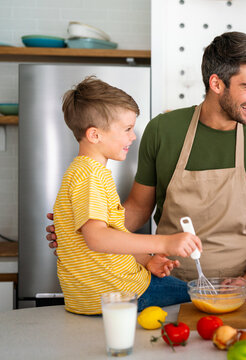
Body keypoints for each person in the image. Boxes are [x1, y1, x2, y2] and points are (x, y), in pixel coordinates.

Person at [47, 32, 246, 298]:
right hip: (165, 280)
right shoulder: (163, 130)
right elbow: (138, 208)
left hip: (232, 290)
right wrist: (81, 230)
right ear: (216, 83)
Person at [54, 76, 202, 315]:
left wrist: (147, 260)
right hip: (122, 292)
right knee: (202, 297)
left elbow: (112, 236)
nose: (133, 136)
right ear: (94, 135)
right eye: (127, 129)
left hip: (93, 297)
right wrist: (165, 242)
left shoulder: (81, 172)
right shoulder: (92, 176)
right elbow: (98, 238)